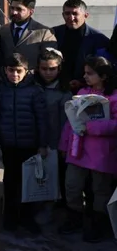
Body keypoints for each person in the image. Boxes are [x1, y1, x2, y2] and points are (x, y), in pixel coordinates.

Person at [58, 56, 117, 242]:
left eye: (89, 73)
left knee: (100, 189)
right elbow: (70, 122)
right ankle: (74, 217)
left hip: (103, 152)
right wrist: (64, 144)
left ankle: (98, 224)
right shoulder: (82, 92)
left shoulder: (114, 97)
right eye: (85, 73)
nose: (85, 76)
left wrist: (93, 127)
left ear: (104, 76)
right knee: (72, 184)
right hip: (78, 149)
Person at [0, 53, 48, 233]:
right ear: (5, 70)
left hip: (29, 145)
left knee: (29, 182)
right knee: (10, 181)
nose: (15, 75)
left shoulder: (35, 90)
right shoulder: (1, 89)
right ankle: (10, 217)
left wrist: (42, 144)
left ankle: (27, 218)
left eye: (19, 71)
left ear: (26, 71)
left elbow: (42, 119)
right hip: (8, 144)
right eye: (11, 70)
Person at [35, 49, 71, 210]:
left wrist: (62, 146)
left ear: (59, 69)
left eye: (52, 69)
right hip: (33, 141)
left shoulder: (64, 92)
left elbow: (65, 123)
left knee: (59, 178)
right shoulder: (32, 87)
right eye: (44, 69)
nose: (48, 73)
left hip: (56, 144)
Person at [52, 0, 109, 91]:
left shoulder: (99, 39)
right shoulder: (53, 34)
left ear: (85, 15)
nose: (71, 18)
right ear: (63, 15)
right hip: (56, 87)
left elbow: (102, 68)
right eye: (67, 13)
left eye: (75, 14)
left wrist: (82, 82)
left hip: (86, 90)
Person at [0, 0, 57, 71]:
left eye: (19, 9)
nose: (14, 12)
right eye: (12, 8)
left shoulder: (44, 33)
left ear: (31, 12)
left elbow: (49, 61)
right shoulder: (2, 30)